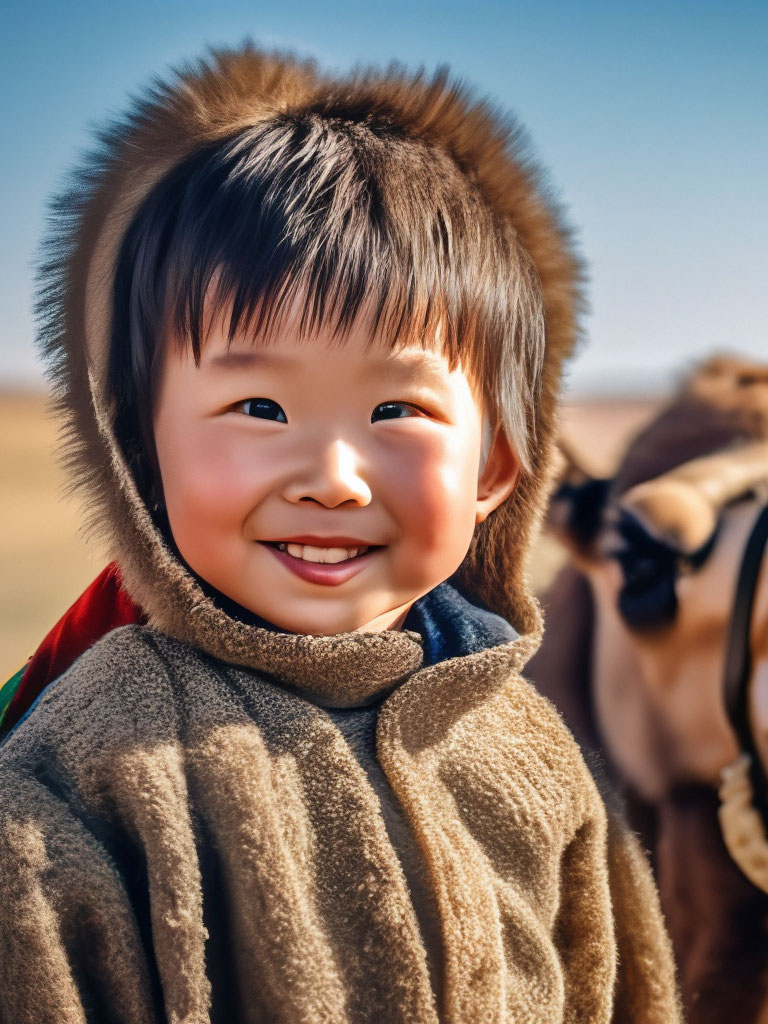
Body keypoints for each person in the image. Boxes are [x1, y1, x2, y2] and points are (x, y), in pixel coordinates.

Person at [0, 45, 681, 1023]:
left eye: (397, 410)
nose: (329, 479)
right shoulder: (81, 782)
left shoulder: (537, 758)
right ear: (142, 448)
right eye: (259, 406)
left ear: (493, 468)